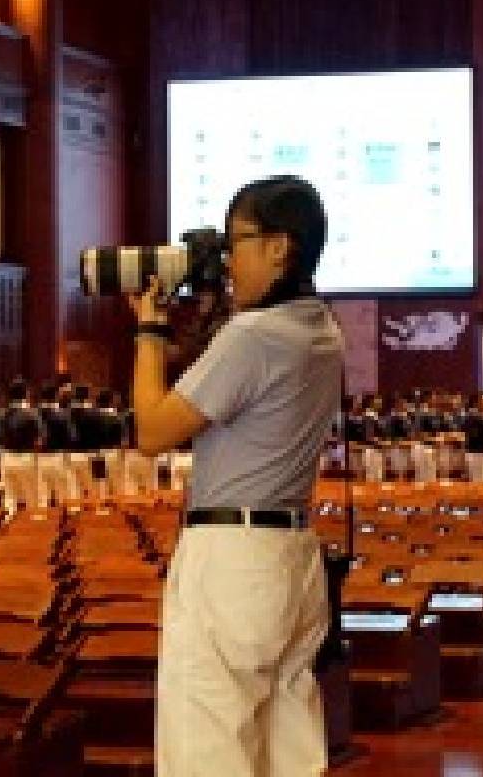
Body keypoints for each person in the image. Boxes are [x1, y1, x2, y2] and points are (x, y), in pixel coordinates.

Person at [130, 176, 342, 776]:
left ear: (279, 247)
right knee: (289, 751)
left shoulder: (253, 336)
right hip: (291, 554)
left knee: (210, 744)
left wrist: (148, 331)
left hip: (231, 557)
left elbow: (151, 433)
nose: (226, 262)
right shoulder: (323, 331)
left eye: (235, 243)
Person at [1, 378, 43, 511]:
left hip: (7, 458)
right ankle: (32, 529)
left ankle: (9, 530)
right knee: (32, 499)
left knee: (9, 500)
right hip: (26, 458)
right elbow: (39, 441)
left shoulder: (3, 414)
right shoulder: (31, 413)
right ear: (26, 393)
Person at [37, 380, 76, 506]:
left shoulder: (33, 413)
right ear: (55, 396)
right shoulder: (62, 415)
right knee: (62, 497)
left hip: (38, 458)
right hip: (58, 457)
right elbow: (71, 437)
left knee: (42, 499)